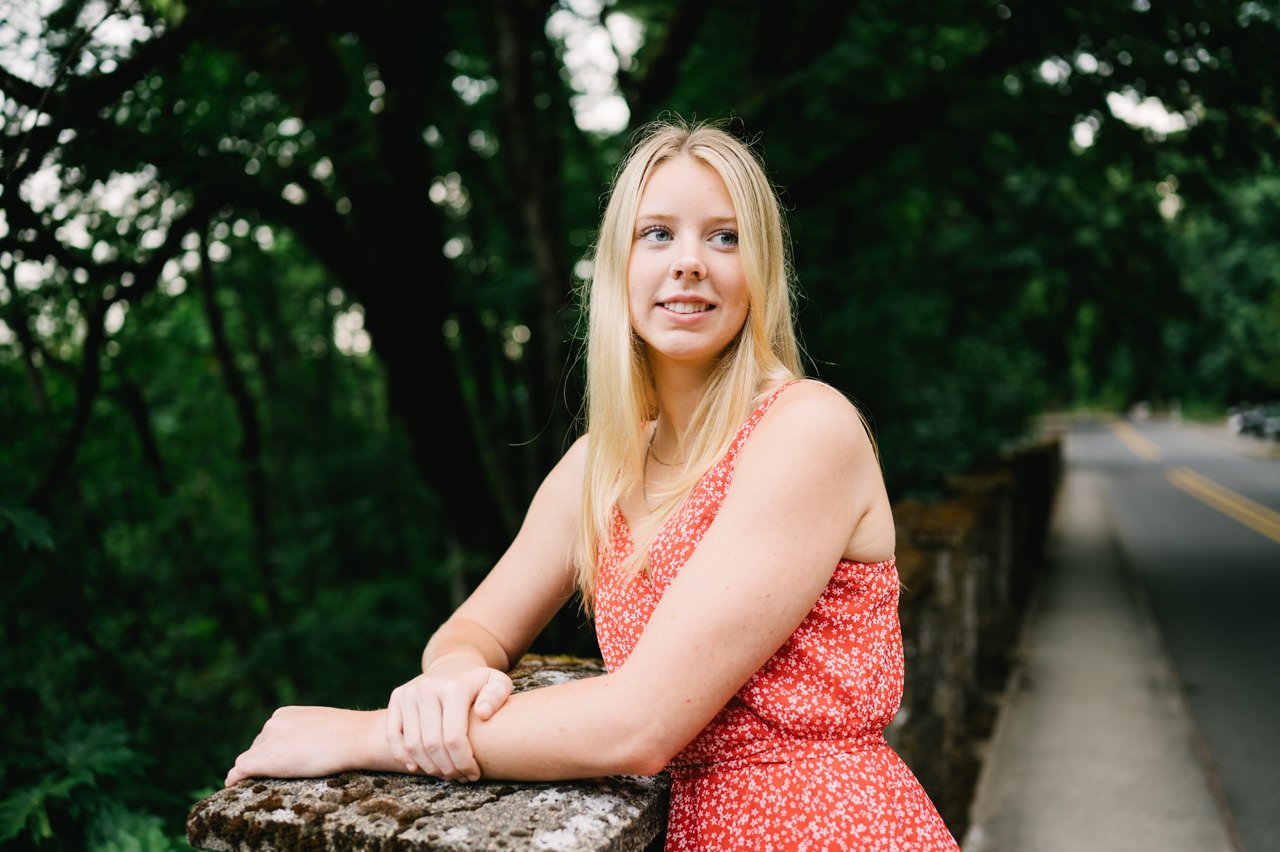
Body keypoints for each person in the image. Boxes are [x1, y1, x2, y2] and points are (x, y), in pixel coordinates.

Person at [224, 119, 960, 850]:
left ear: (762, 271)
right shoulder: (598, 467)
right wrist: (450, 681)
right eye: (658, 234)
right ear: (619, 265)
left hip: (832, 829)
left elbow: (641, 724)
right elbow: (473, 629)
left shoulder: (805, 431)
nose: (690, 263)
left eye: (725, 237)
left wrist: (363, 734)